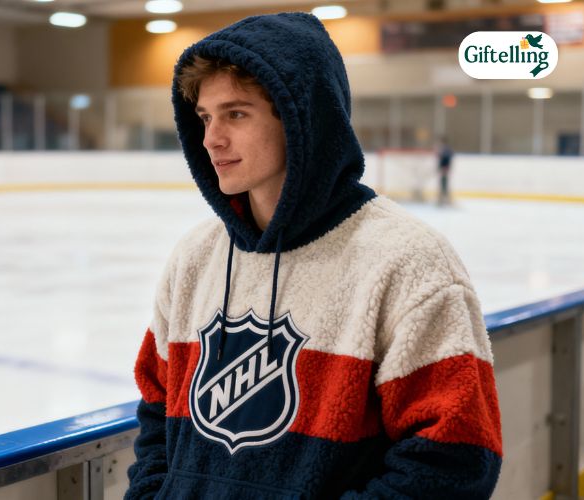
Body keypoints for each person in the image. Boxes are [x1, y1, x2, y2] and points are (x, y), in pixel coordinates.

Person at [126, 12, 502, 499]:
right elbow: (158, 415)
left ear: (304, 118)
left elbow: (456, 458)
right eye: (205, 117)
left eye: (236, 114)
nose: (211, 139)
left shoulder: (407, 260)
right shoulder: (195, 258)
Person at [436, 136, 454, 206]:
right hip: (444, 168)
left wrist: (445, 167)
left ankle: (444, 198)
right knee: (443, 182)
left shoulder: (445, 149)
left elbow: (447, 158)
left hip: (444, 168)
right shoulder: (444, 149)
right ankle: (443, 198)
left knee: (444, 183)